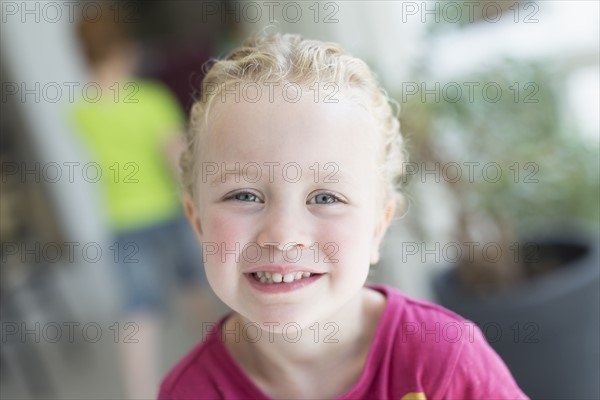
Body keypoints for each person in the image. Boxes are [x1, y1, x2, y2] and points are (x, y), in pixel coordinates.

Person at [159, 33, 528, 399]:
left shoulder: (444, 362)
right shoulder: (189, 392)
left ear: (377, 228)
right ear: (198, 223)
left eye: (324, 196)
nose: (283, 235)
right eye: (243, 195)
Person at [71, 11, 218, 399]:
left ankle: (139, 392)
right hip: (170, 213)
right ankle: (222, 362)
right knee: (195, 290)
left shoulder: (81, 111)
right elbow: (178, 160)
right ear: (124, 48)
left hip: (124, 221)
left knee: (139, 309)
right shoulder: (149, 101)